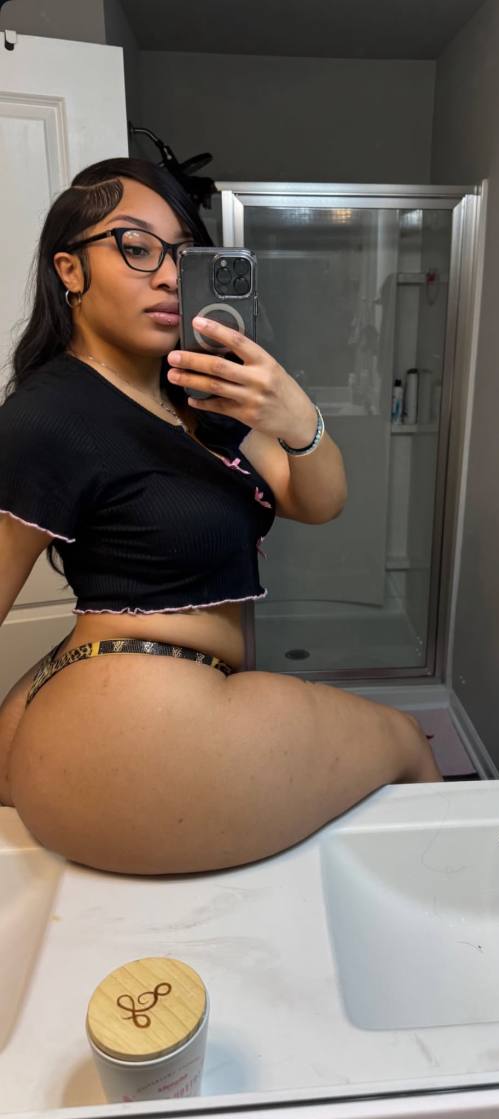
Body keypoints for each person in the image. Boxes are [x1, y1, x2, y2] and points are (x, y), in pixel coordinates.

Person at [0, 157, 441, 876]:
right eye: (136, 248)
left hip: (117, 702)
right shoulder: (49, 414)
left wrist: (295, 416)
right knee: (406, 743)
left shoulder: (197, 396)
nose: (170, 277)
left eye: (183, 254)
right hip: (138, 724)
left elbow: (319, 500)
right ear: (70, 270)